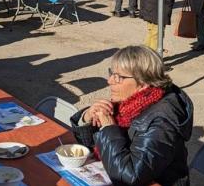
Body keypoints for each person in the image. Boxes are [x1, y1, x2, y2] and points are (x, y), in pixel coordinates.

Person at [71, 46, 193, 186]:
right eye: (111, 73)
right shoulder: (127, 104)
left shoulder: (162, 120)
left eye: (119, 77)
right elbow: (90, 145)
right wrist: (86, 119)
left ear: (143, 83)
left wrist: (109, 128)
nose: (110, 81)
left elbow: (131, 176)